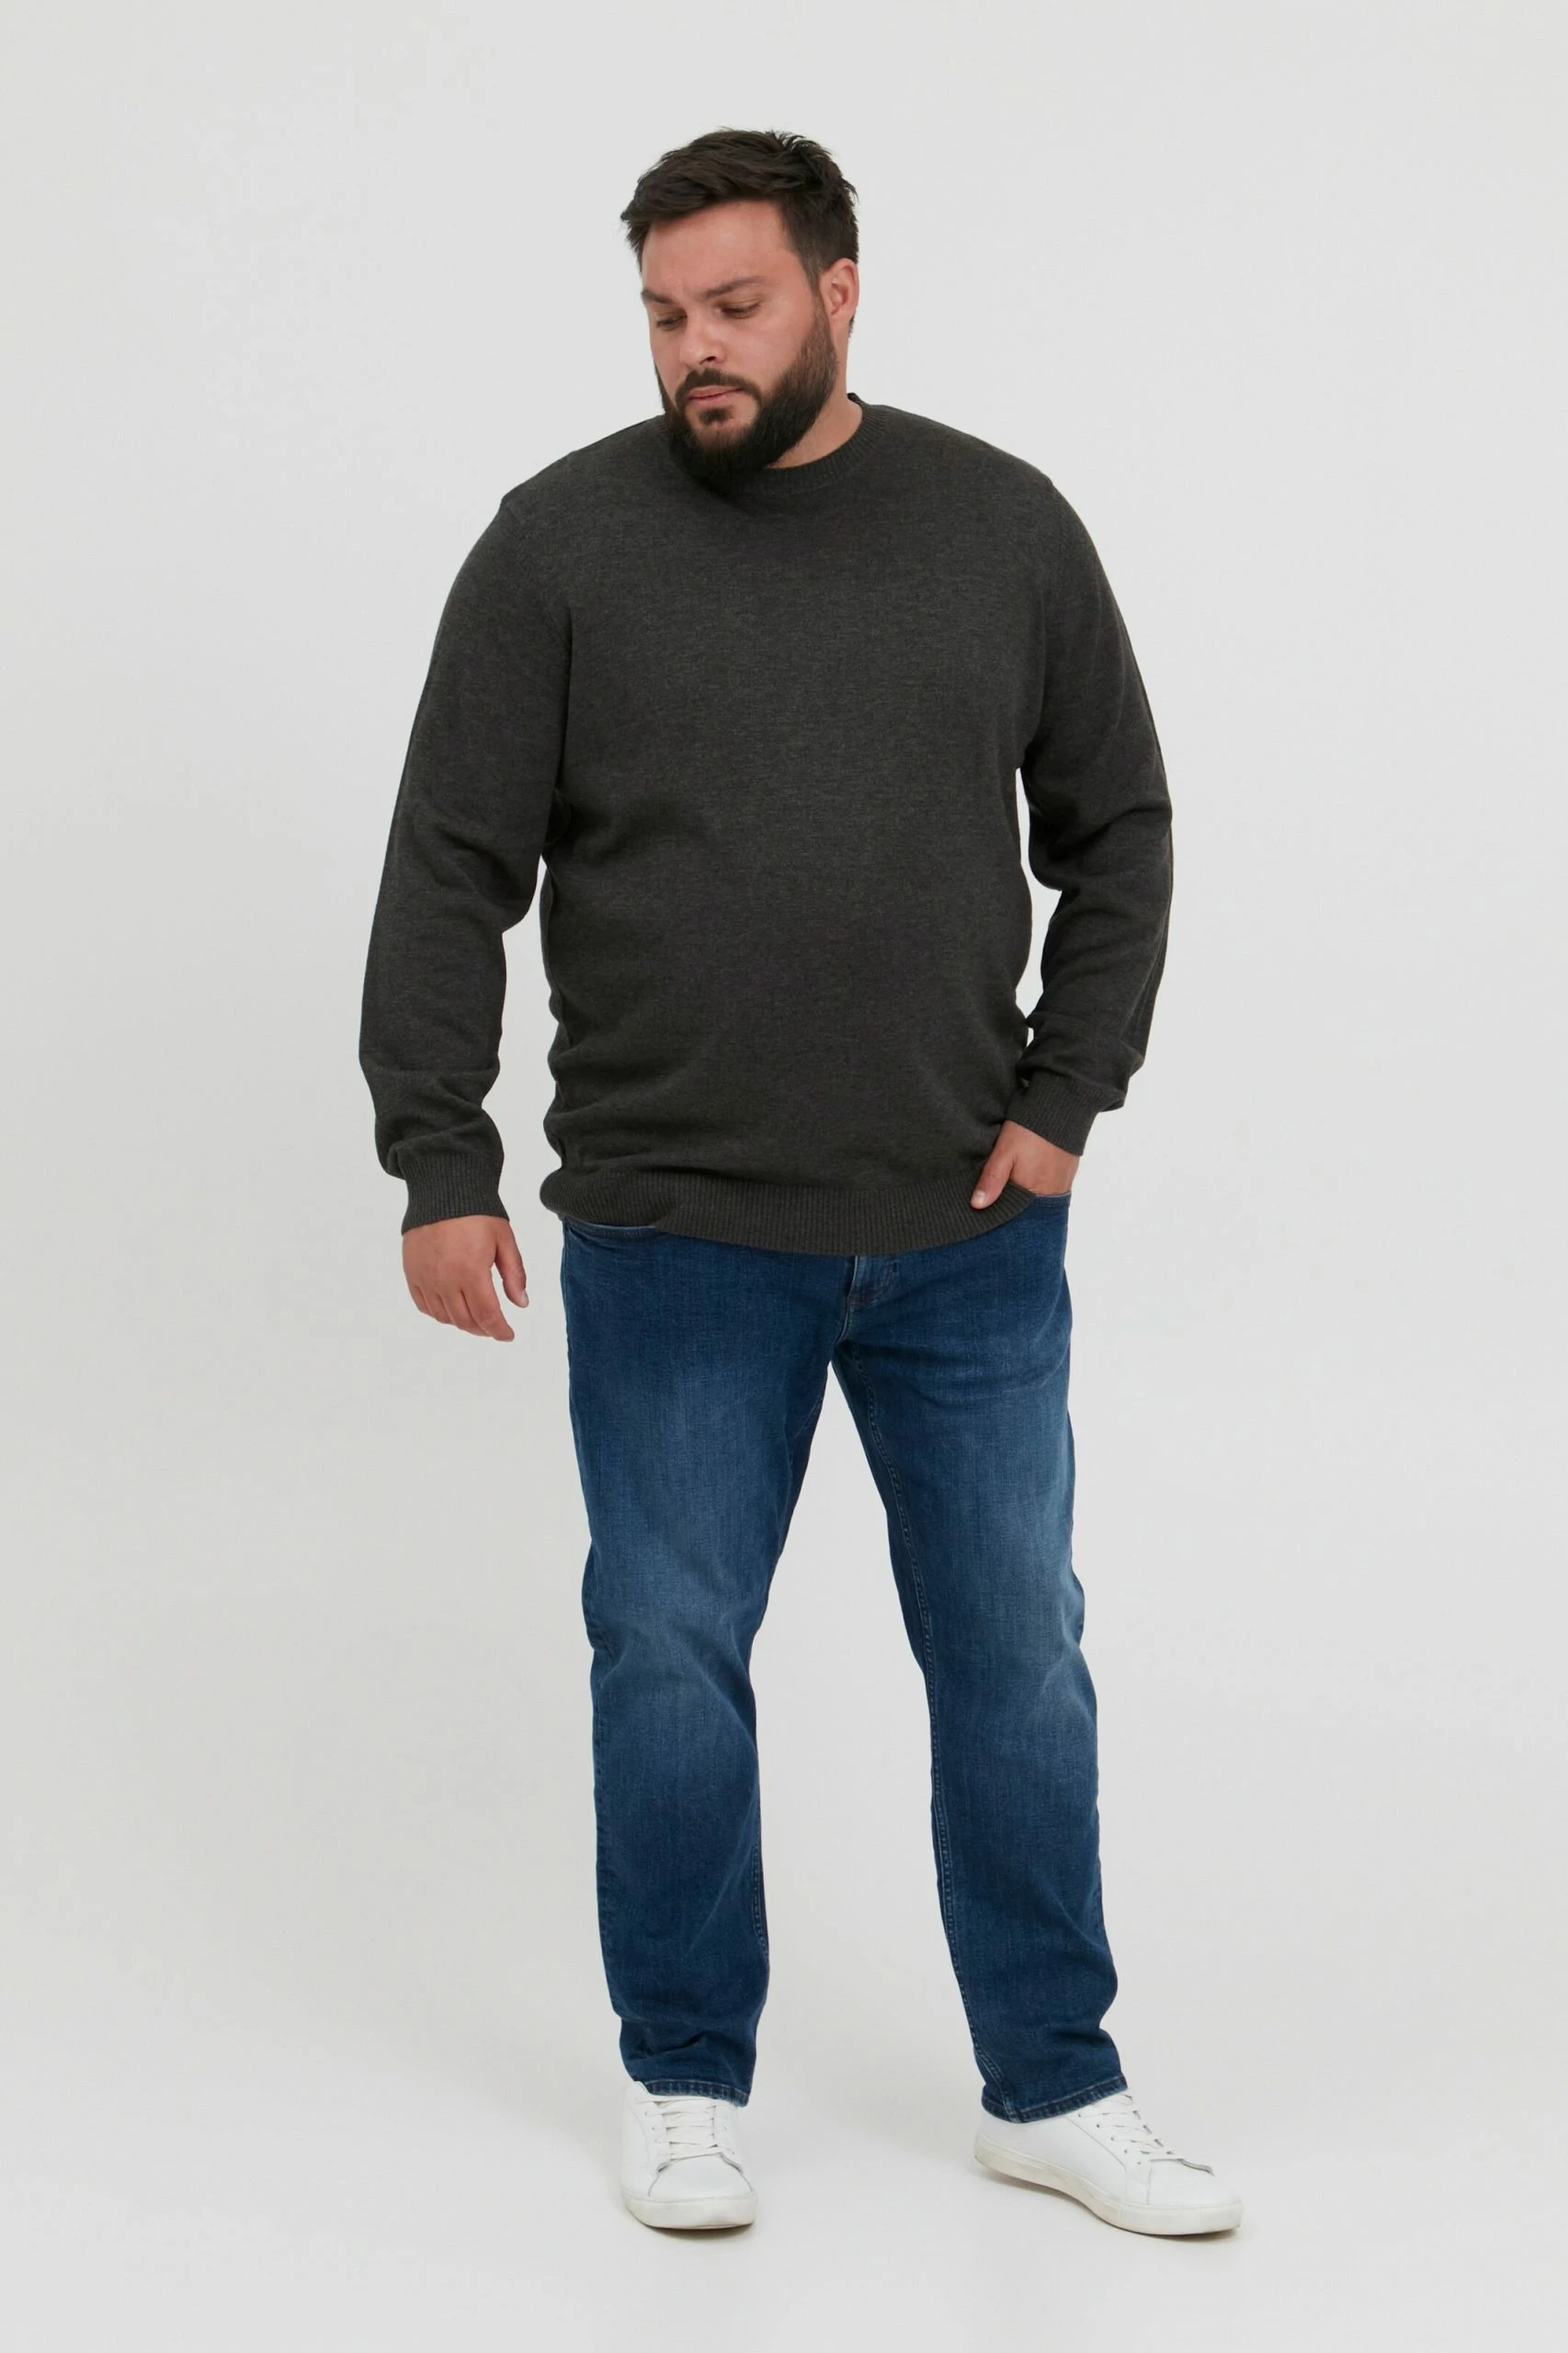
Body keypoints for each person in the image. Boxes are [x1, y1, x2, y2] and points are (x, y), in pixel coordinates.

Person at [358, 125, 1242, 2239]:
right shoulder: (559, 547)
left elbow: (1116, 829)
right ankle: (685, 2077)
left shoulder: (1001, 527)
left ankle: (1054, 2079)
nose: (698, 349)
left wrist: (1068, 1092)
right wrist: (436, 1152)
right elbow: (451, 863)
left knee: (1015, 1649)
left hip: (964, 1229)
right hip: (674, 1226)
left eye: (735, 305)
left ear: (840, 291)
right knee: (668, 1646)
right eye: (665, 315)